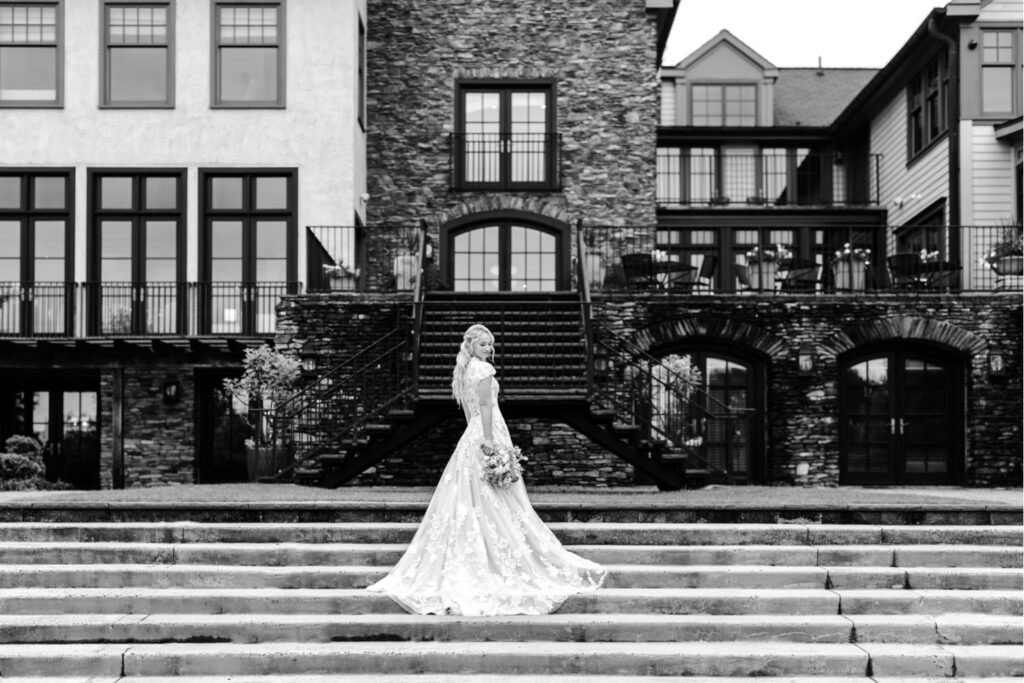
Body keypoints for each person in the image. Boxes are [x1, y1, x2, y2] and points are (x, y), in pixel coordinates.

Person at [366, 323, 606, 615]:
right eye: (483, 345)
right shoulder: (483, 370)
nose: (489, 349)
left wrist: (476, 435)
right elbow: (486, 406)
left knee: (478, 495)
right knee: (494, 493)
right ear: (471, 346)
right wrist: (490, 441)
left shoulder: (465, 371)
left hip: (474, 433)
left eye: (491, 344)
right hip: (488, 433)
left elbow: (470, 412)